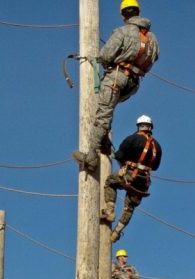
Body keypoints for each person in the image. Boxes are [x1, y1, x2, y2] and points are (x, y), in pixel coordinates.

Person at [71, 0, 159, 172]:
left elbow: (105, 56)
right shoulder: (152, 38)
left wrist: (103, 62)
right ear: (138, 12)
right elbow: (155, 57)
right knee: (107, 109)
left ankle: (90, 156)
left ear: (122, 15)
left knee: (102, 113)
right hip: (133, 84)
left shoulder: (123, 32)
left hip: (117, 79)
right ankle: (103, 140)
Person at [100, 115, 162, 242]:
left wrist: (122, 162)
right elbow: (155, 167)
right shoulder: (157, 146)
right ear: (150, 128)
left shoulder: (132, 139)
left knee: (111, 182)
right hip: (144, 181)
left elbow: (119, 155)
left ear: (139, 126)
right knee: (129, 207)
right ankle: (116, 232)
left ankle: (109, 211)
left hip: (130, 175)